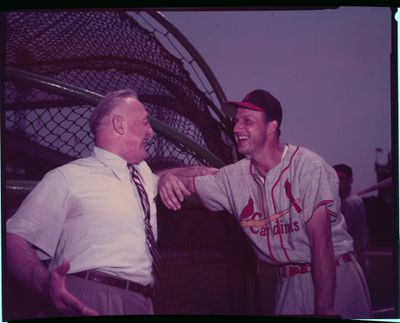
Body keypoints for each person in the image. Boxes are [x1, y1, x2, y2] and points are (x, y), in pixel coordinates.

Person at [158, 89, 372, 319]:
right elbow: (181, 181)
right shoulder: (234, 177)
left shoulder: (308, 167)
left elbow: (322, 244)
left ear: (272, 127)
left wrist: (325, 309)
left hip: (336, 278)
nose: (236, 128)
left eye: (247, 121)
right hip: (288, 282)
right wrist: (168, 177)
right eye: (236, 121)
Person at [6, 89, 216, 317]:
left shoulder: (142, 175)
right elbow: (14, 238)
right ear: (120, 124)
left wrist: (179, 174)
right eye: (145, 122)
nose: (151, 131)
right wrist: (44, 284)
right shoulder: (67, 176)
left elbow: (161, 176)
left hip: (143, 300)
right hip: (86, 294)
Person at [333, 163, 370, 277]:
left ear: (350, 180)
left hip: (354, 258)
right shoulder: (343, 202)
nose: (337, 182)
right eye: (334, 178)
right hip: (349, 258)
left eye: (340, 178)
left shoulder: (351, 203)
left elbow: (342, 233)